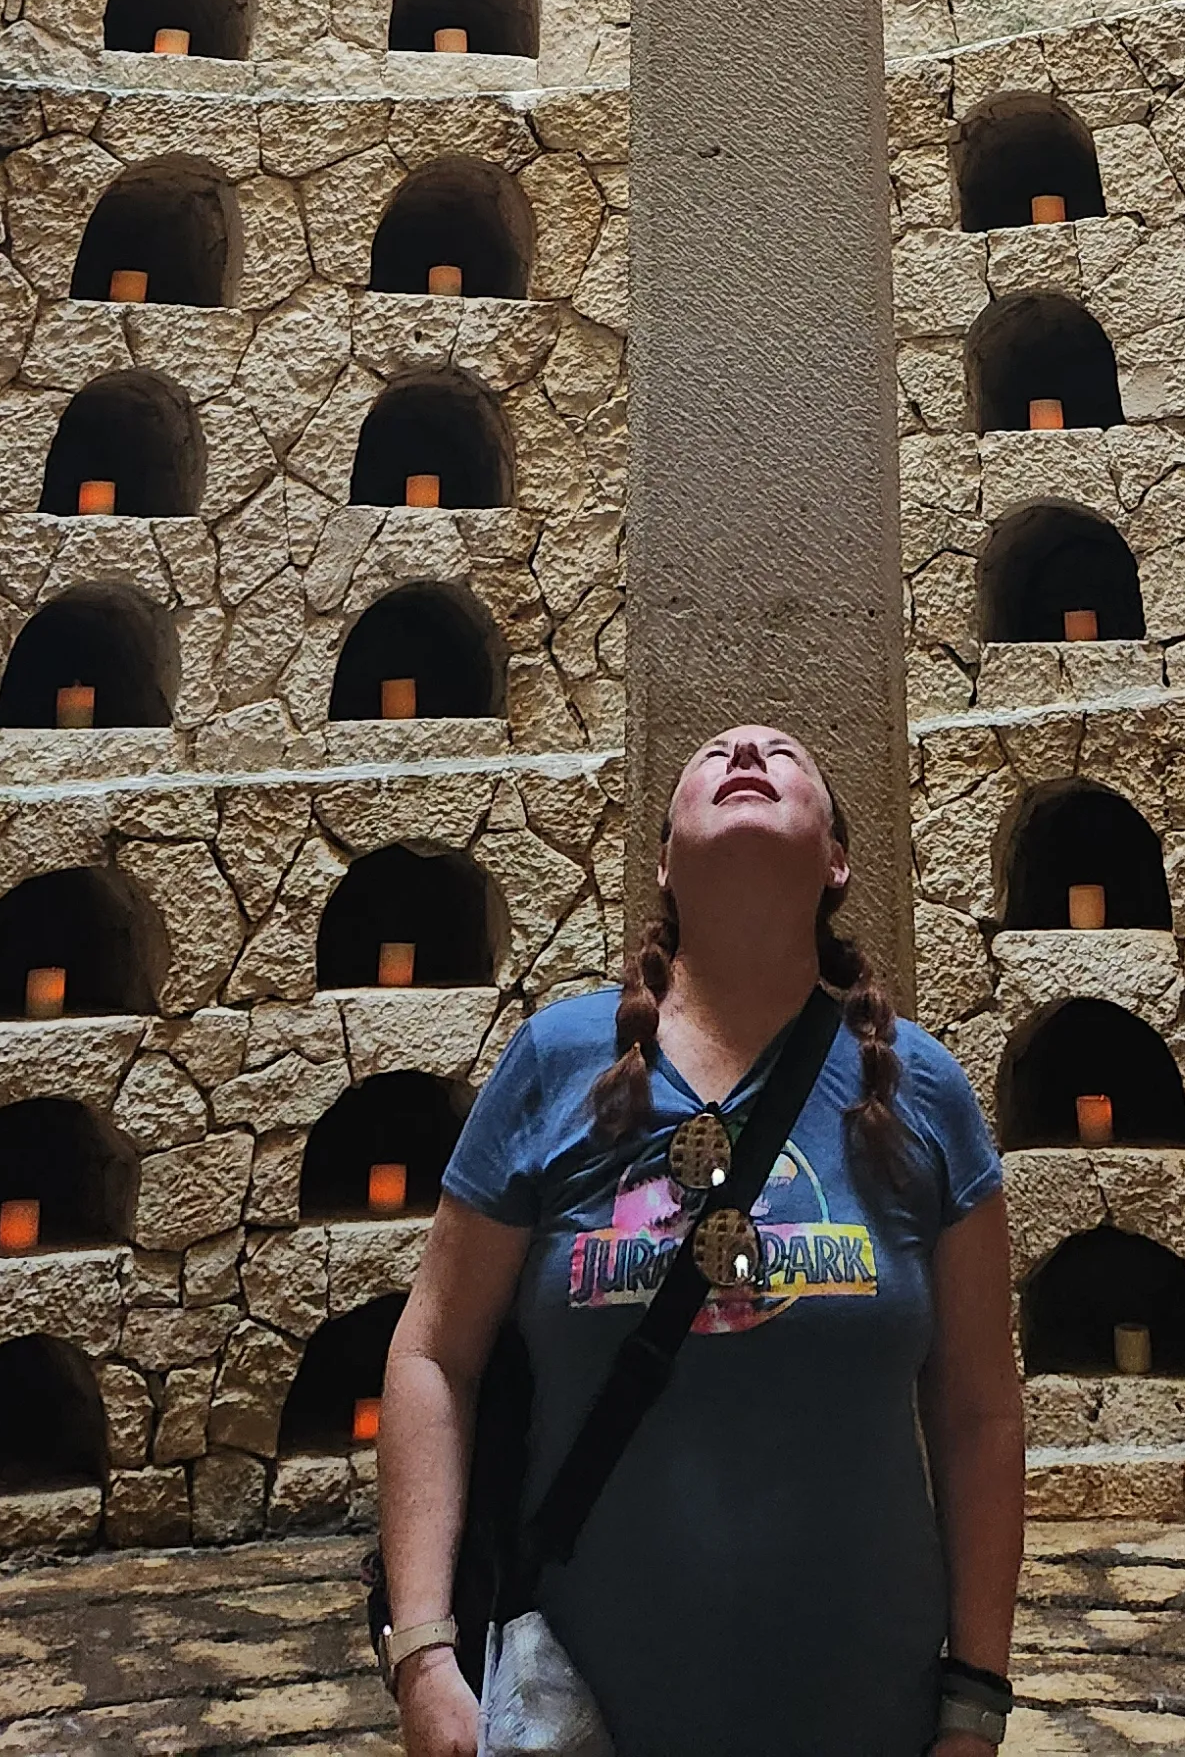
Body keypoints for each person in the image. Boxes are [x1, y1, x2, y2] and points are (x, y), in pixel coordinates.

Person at [376, 723, 1026, 1757]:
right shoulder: (559, 1061)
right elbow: (432, 1356)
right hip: (586, 1712)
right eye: (714, 755)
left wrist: (975, 1698)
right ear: (668, 863)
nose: (750, 752)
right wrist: (423, 1650)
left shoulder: (923, 1088)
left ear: (838, 860)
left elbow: (981, 1409)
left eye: (788, 754)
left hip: (862, 1709)